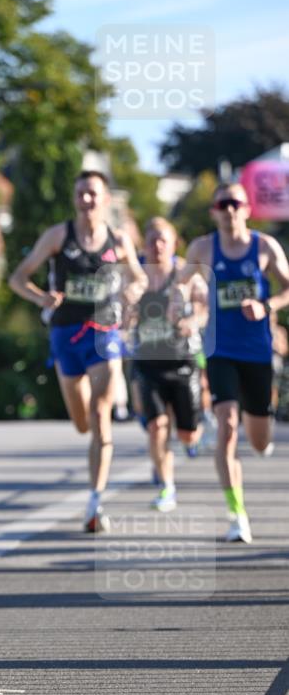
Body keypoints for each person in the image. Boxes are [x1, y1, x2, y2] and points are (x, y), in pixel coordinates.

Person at [9, 170, 146, 532]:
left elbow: (139, 277)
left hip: (104, 334)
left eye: (93, 194)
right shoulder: (58, 236)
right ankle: (93, 484)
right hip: (65, 335)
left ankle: (95, 503)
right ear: (75, 199)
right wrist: (42, 297)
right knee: (82, 422)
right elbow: (18, 278)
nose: (87, 200)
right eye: (81, 193)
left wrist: (132, 292)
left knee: (101, 414)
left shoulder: (118, 239)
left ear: (106, 200)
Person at [180, 182, 289, 542]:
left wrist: (267, 305)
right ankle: (237, 514)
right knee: (226, 427)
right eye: (222, 203)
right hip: (220, 350)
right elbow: (181, 284)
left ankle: (262, 427)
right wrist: (179, 303)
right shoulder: (202, 247)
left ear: (246, 208)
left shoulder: (264, 247)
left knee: (258, 441)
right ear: (214, 210)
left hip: (257, 351)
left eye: (235, 203)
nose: (228, 209)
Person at [129, 218, 208, 512]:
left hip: (182, 360)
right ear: (145, 245)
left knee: (187, 433)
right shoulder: (136, 274)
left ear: (174, 244)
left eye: (163, 240)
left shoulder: (186, 272)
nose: (157, 245)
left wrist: (193, 320)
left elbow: (204, 307)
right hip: (147, 361)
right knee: (157, 426)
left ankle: (190, 437)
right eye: (151, 240)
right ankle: (167, 487)